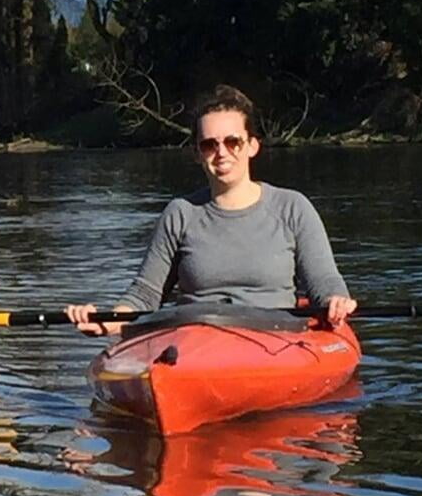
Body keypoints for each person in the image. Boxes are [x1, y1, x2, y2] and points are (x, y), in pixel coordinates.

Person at [67, 84, 356, 337]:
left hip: (274, 339)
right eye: (209, 145)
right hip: (194, 341)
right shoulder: (180, 213)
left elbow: (324, 282)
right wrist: (106, 322)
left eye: (233, 142)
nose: (221, 153)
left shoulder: (293, 208)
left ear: (252, 146)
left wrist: (336, 300)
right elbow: (146, 294)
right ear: (197, 153)